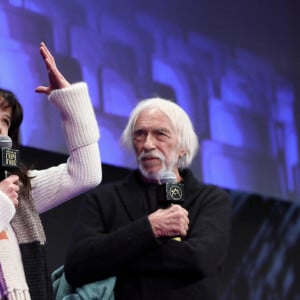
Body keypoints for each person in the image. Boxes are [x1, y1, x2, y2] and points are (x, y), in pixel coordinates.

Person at [64, 98, 231, 300]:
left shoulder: (211, 200)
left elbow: (199, 260)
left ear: (183, 147)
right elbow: (76, 266)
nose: (148, 144)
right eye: (140, 135)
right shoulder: (104, 199)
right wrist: (149, 228)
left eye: (160, 134)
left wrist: (116, 256)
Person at [0, 42, 102, 300]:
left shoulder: (16, 188)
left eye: (5, 121)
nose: (1, 128)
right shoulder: (7, 195)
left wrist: (70, 102)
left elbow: (85, 173)